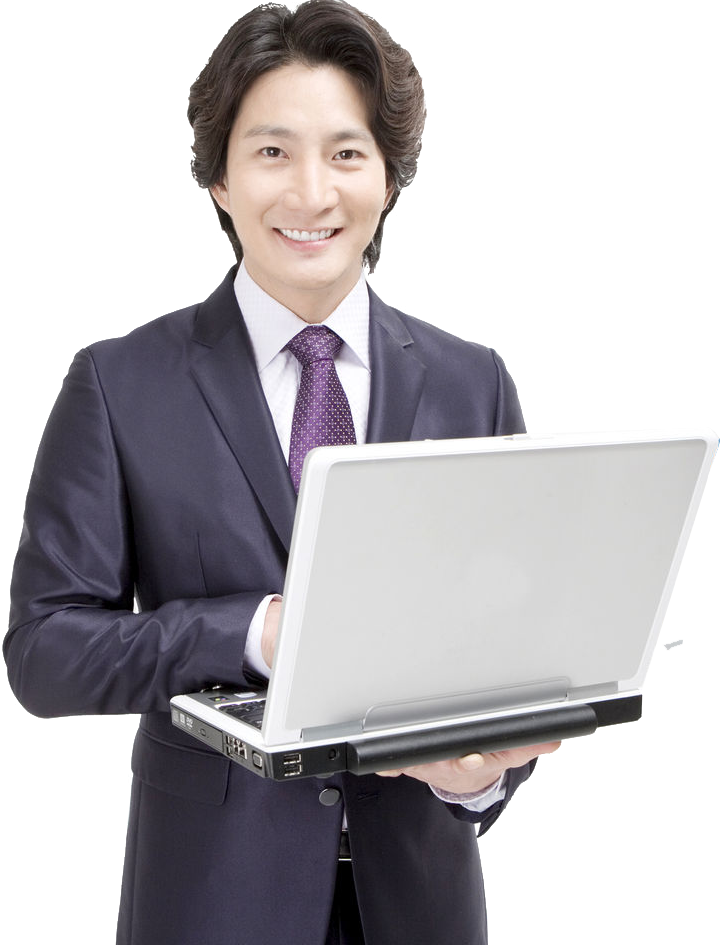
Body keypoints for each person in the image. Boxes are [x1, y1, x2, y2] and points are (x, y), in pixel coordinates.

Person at [5, 2, 558, 942]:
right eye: (272, 152)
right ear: (219, 177)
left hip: (420, 907)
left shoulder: (473, 384)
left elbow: (510, 647)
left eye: (346, 153)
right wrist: (256, 631)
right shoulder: (120, 384)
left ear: (390, 177)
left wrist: (479, 776)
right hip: (213, 905)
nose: (311, 192)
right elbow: (46, 652)